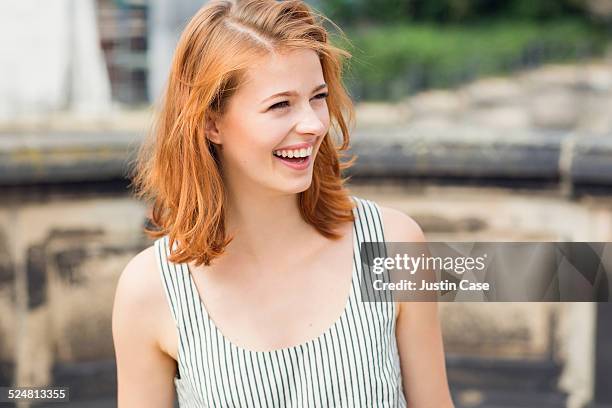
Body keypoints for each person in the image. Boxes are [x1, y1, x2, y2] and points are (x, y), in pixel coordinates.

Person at [112, 0, 454, 406]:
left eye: (318, 97)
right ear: (211, 122)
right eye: (280, 104)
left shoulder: (393, 245)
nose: (312, 124)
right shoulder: (149, 290)